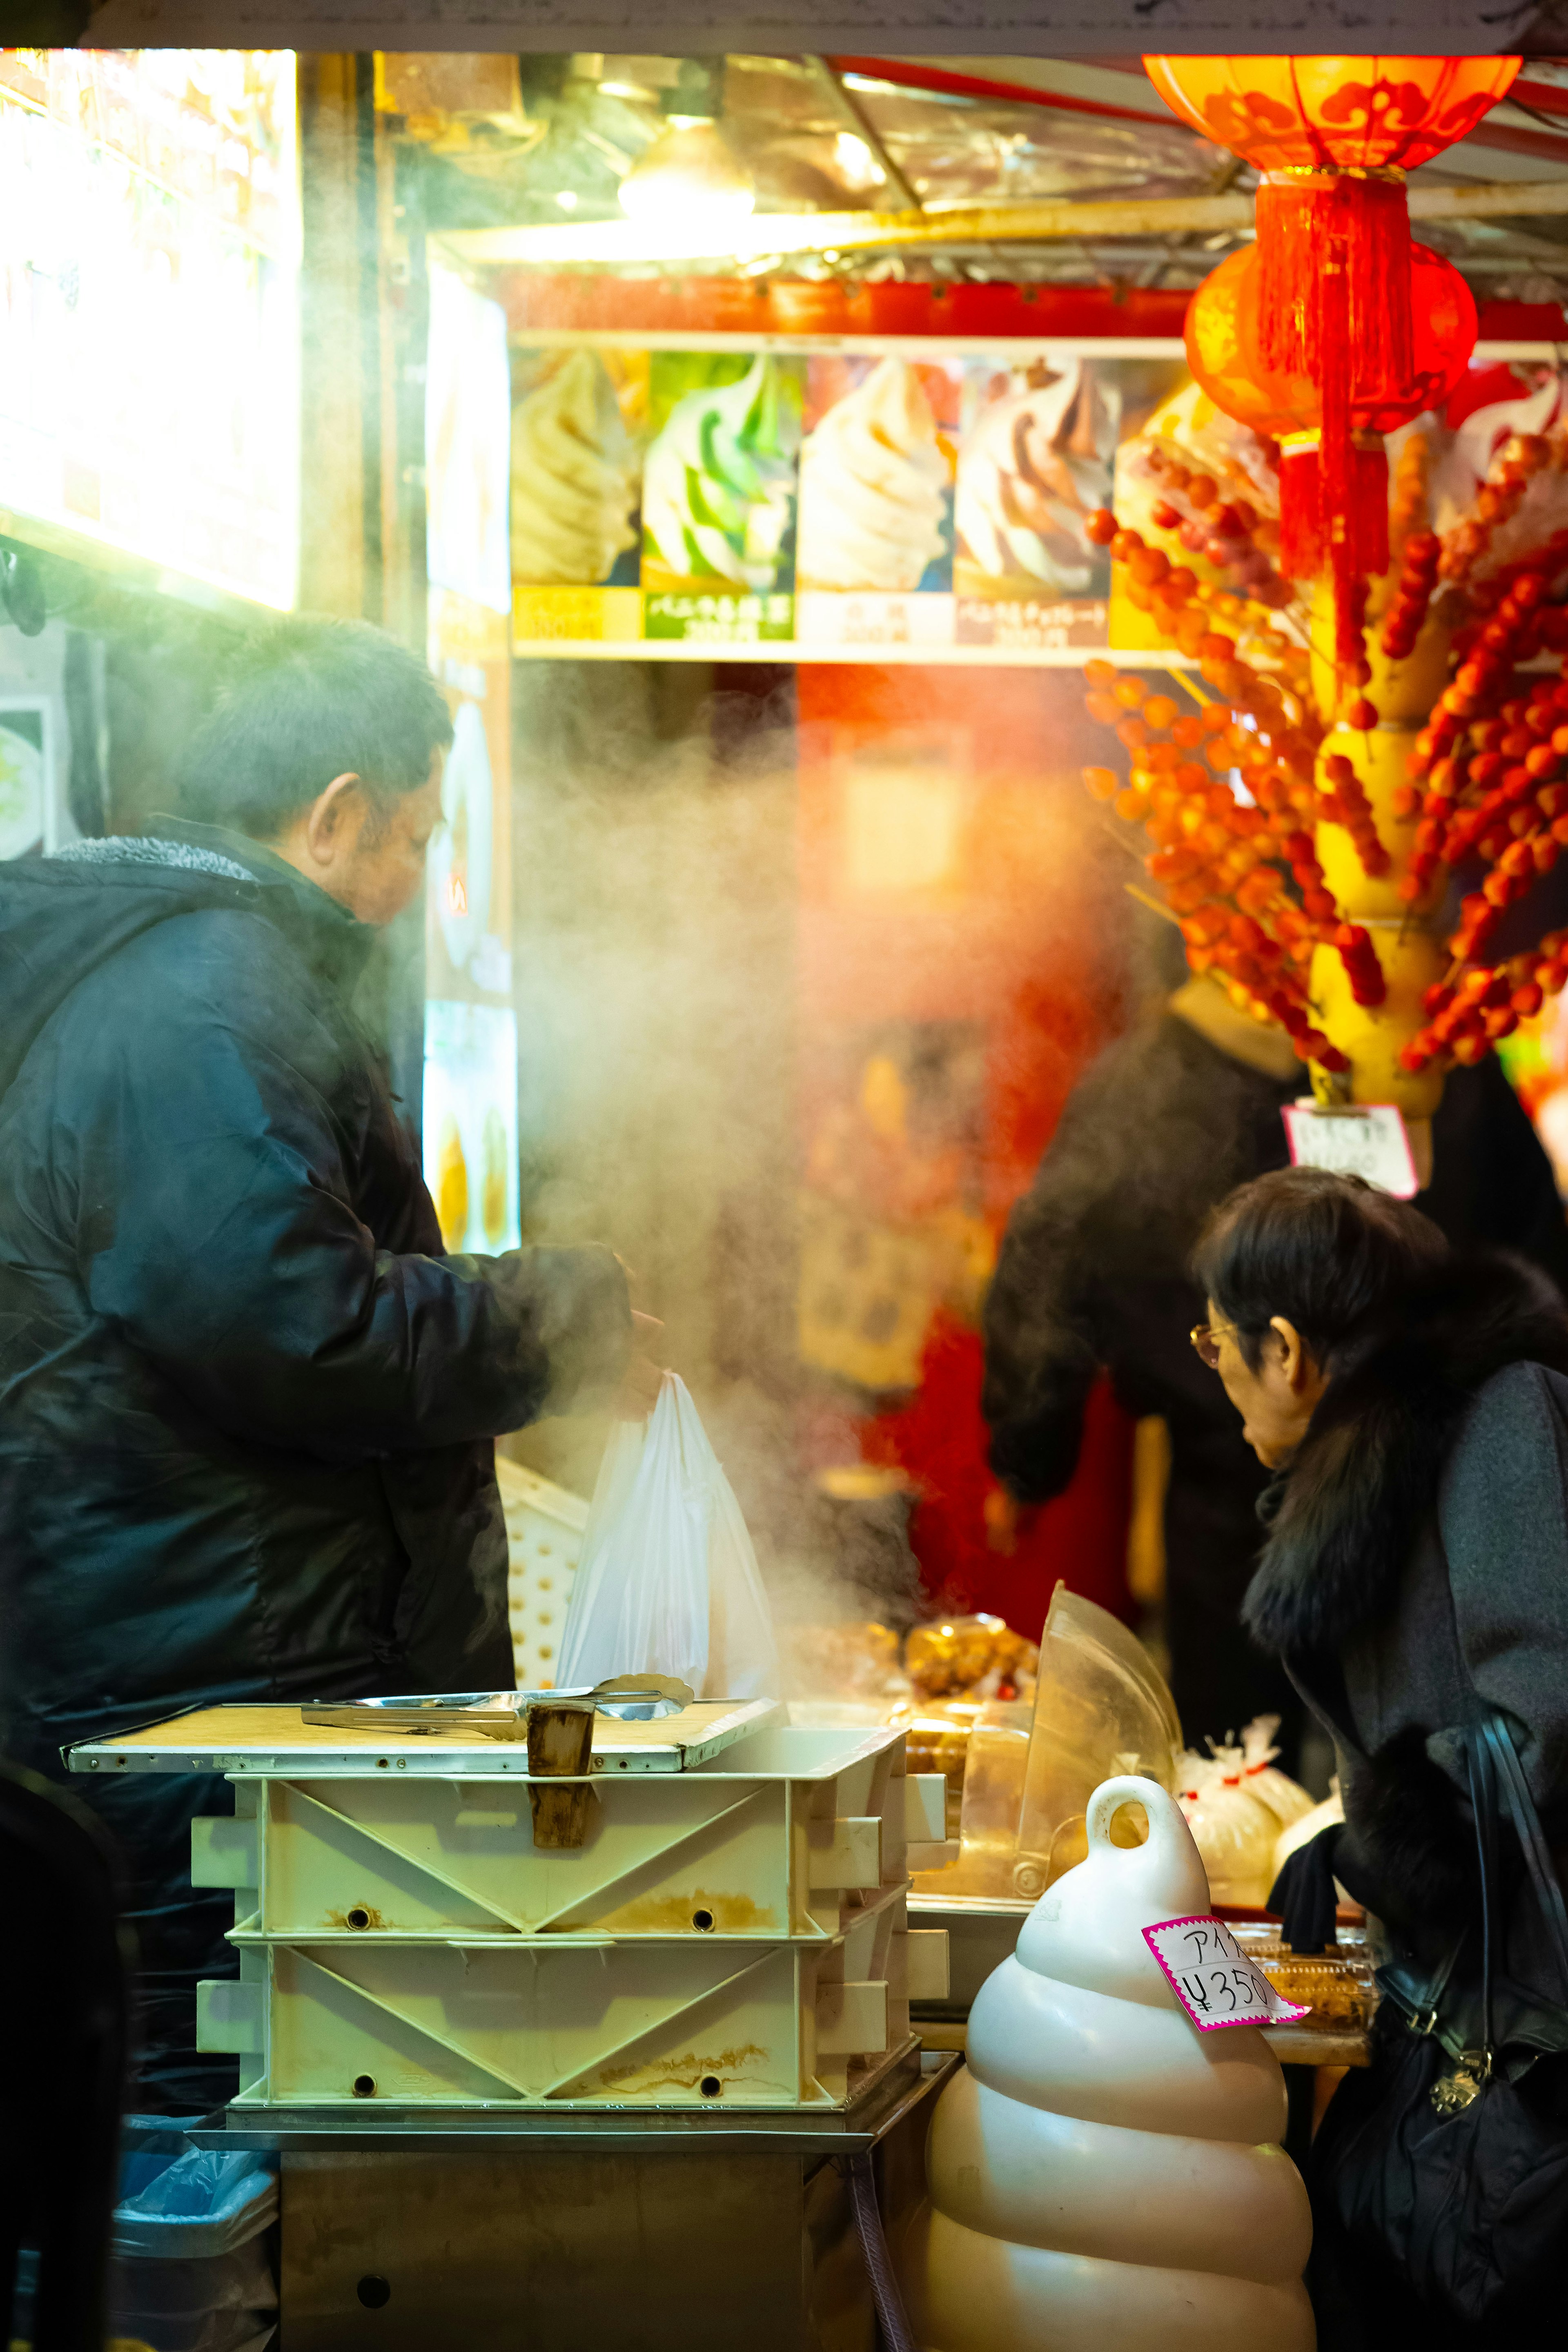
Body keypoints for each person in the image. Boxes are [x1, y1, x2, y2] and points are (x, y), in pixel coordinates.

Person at [0, 617, 658, 2108]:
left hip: (167, 1677)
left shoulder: (163, 964)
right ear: (337, 813)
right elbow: (297, 1326)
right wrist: (566, 1316)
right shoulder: (203, 996)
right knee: (211, 2140)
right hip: (201, 1710)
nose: (420, 885)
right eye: (415, 840)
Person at [981, 961, 1568, 1768]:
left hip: (1324, 1476)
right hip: (1332, 1468)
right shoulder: (1436, 1054)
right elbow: (1544, 1251)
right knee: (1352, 1742)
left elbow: (1045, 1257)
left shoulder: (1154, 1071)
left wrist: (1026, 1454)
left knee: (1258, 1760)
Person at [1192, 1166, 1568, 2342]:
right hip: (1467, 1996)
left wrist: (1386, 1831)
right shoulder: (1378, 1458)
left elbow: (1547, 1717)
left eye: (1215, 1347)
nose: (1215, 1374)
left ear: (1289, 1350)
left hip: (1536, 2027)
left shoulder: (1503, 1420)